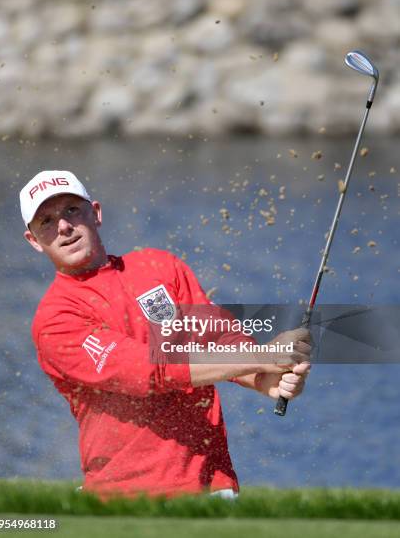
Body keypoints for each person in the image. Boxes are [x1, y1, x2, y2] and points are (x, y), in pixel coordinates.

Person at [20, 170, 311, 500]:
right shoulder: (55, 319)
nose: (63, 227)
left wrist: (264, 379)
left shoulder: (159, 267)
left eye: (72, 210)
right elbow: (147, 370)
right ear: (34, 241)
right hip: (124, 503)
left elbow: (219, 341)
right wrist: (262, 357)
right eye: (46, 220)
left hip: (213, 490)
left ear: (96, 213)